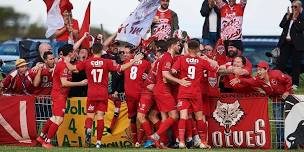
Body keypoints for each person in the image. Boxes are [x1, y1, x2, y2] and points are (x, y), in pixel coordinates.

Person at [66, 43, 144, 148]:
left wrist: (64, 60)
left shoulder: (87, 62)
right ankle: (98, 142)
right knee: (100, 117)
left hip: (91, 93)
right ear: (101, 51)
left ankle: (88, 128)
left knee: (89, 116)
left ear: (92, 51)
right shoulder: (106, 62)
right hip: (103, 94)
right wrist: (134, 61)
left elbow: (72, 68)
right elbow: (121, 68)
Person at [36, 44, 88, 149]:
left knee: (54, 118)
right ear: (70, 53)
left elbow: (76, 69)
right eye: (74, 51)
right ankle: (47, 141)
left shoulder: (65, 63)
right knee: (59, 119)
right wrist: (81, 83)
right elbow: (64, 83)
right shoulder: (63, 65)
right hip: (59, 95)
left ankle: (41, 137)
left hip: (60, 94)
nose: (76, 53)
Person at [234, 61, 293, 149]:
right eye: (257, 70)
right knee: (278, 122)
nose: (258, 72)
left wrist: (287, 91)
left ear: (266, 70)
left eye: (260, 70)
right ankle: (281, 144)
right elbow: (249, 81)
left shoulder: (276, 74)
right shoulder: (258, 79)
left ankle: (294, 143)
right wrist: (239, 80)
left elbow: (288, 79)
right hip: (276, 100)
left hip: (288, 98)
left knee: (291, 120)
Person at [171, 40, 218, 149]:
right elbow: (214, 68)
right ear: (197, 49)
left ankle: (182, 142)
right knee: (199, 118)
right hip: (196, 93)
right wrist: (208, 59)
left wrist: (179, 78)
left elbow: (173, 71)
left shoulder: (181, 59)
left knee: (183, 117)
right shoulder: (201, 61)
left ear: (187, 48)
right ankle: (202, 142)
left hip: (183, 91)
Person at [150, 38, 191, 148]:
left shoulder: (164, 57)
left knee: (165, 118)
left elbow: (158, 71)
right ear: (172, 45)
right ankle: (156, 136)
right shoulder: (167, 57)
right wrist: (179, 81)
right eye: (178, 45)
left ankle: (161, 143)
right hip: (163, 90)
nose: (179, 47)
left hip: (160, 89)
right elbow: (165, 74)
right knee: (174, 115)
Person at [123, 47, 151, 147]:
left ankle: (135, 142)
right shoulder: (146, 63)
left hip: (129, 93)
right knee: (144, 117)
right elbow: (151, 76)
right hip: (140, 93)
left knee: (133, 118)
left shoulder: (126, 62)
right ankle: (140, 141)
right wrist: (147, 76)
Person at [277, 0, 304, 89]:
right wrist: (287, 17)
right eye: (292, 6)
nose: (293, 8)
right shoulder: (288, 15)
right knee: (281, 63)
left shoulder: (302, 17)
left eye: (295, 7)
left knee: (296, 65)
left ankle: (295, 84)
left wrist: (295, 20)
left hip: (296, 44)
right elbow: (281, 25)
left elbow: (300, 29)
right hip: (286, 43)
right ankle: (278, 81)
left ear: (300, 8)